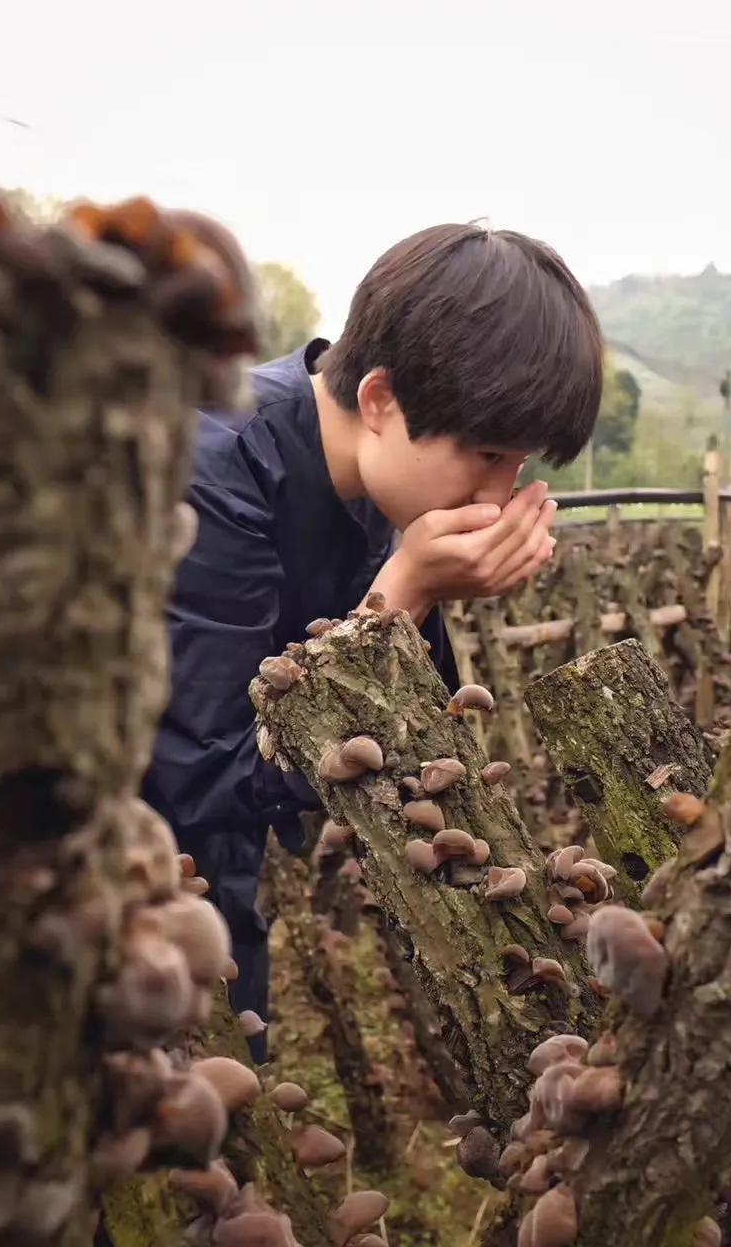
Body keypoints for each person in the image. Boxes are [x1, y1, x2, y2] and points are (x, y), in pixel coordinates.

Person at [143, 223, 603, 1059]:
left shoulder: (380, 486)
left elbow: (391, 736)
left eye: (522, 464)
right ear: (382, 399)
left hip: (209, 873)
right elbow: (203, 773)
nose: (500, 498)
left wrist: (417, 590)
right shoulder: (208, 466)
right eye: (489, 453)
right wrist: (406, 590)